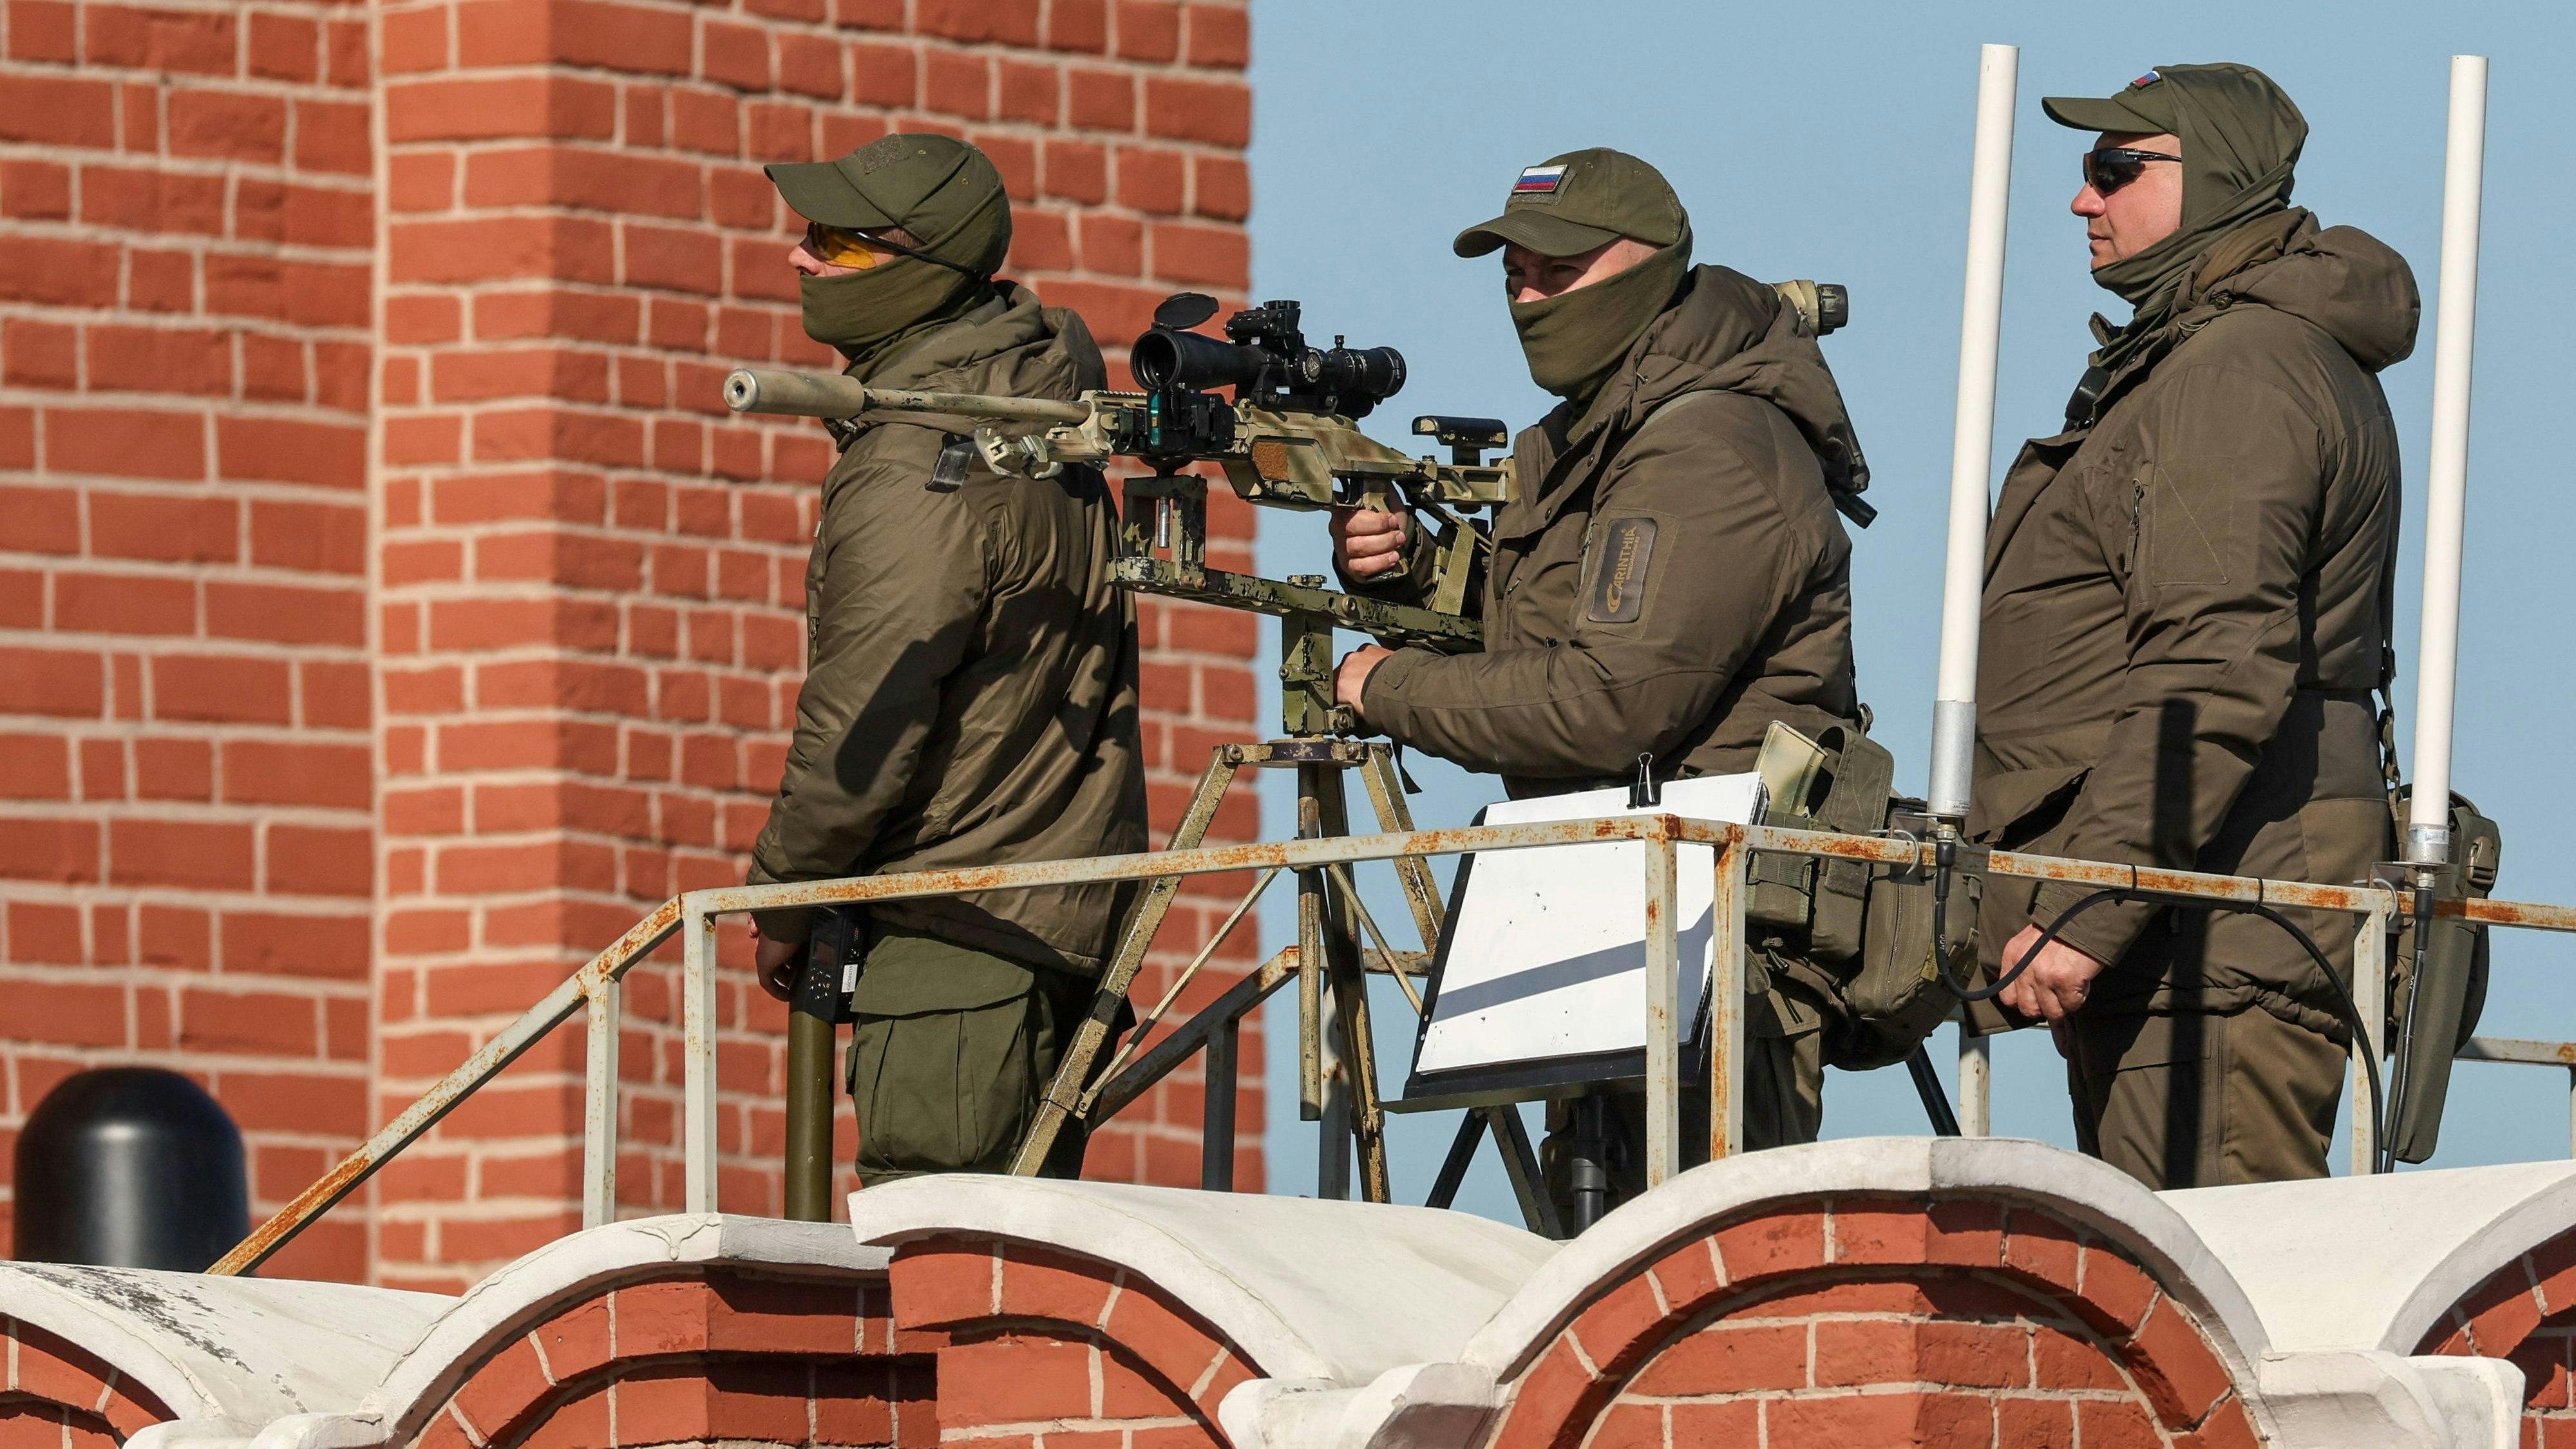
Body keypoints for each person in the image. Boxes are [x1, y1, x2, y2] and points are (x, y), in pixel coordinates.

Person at [1329, 147, 1872, 1218]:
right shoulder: (1597, 431)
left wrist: (1384, 689)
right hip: (1618, 937)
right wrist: (1421, 570)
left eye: (1559, 271)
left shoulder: (1706, 443)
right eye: (1515, 275)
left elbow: (1610, 698)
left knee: (1698, 1276)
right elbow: (1562, 625)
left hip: (1714, 954)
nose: (1530, 297)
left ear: (1651, 266)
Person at [1973, 66, 2417, 1188]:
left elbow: (2212, 664)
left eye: (2117, 168)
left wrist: (2088, 905)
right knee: (2169, 1276)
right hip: (2184, 918)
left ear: (2213, 178)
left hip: (2215, 928)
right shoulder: (2211, 354)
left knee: (2218, 1280)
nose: (2085, 197)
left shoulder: (2238, 370)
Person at [743, 134, 1148, 1184]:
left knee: (936, 1261)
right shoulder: (1032, 408)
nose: (801, 257)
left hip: (959, 947)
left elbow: (865, 715)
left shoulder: (921, 458)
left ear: (925, 268)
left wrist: (784, 894)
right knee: (1002, 1260)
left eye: (839, 243)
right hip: (1030, 925)